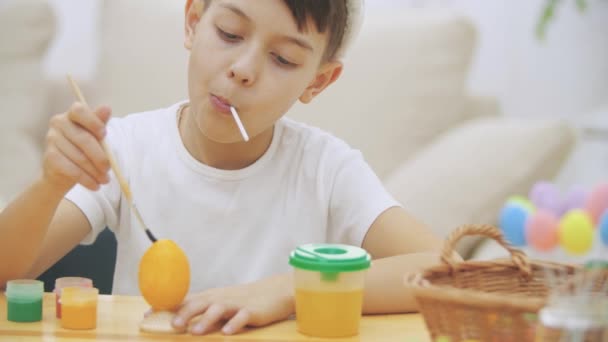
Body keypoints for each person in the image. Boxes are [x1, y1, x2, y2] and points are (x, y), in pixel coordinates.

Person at [0, 0, 445, 335]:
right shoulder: (127, 149)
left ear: (318, 80)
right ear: (193, 22)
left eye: (284, 59)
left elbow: (447, 274)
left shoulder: (326, 170)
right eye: (230, 33)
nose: (243, 70)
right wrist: (50, 185)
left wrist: (287, 290)